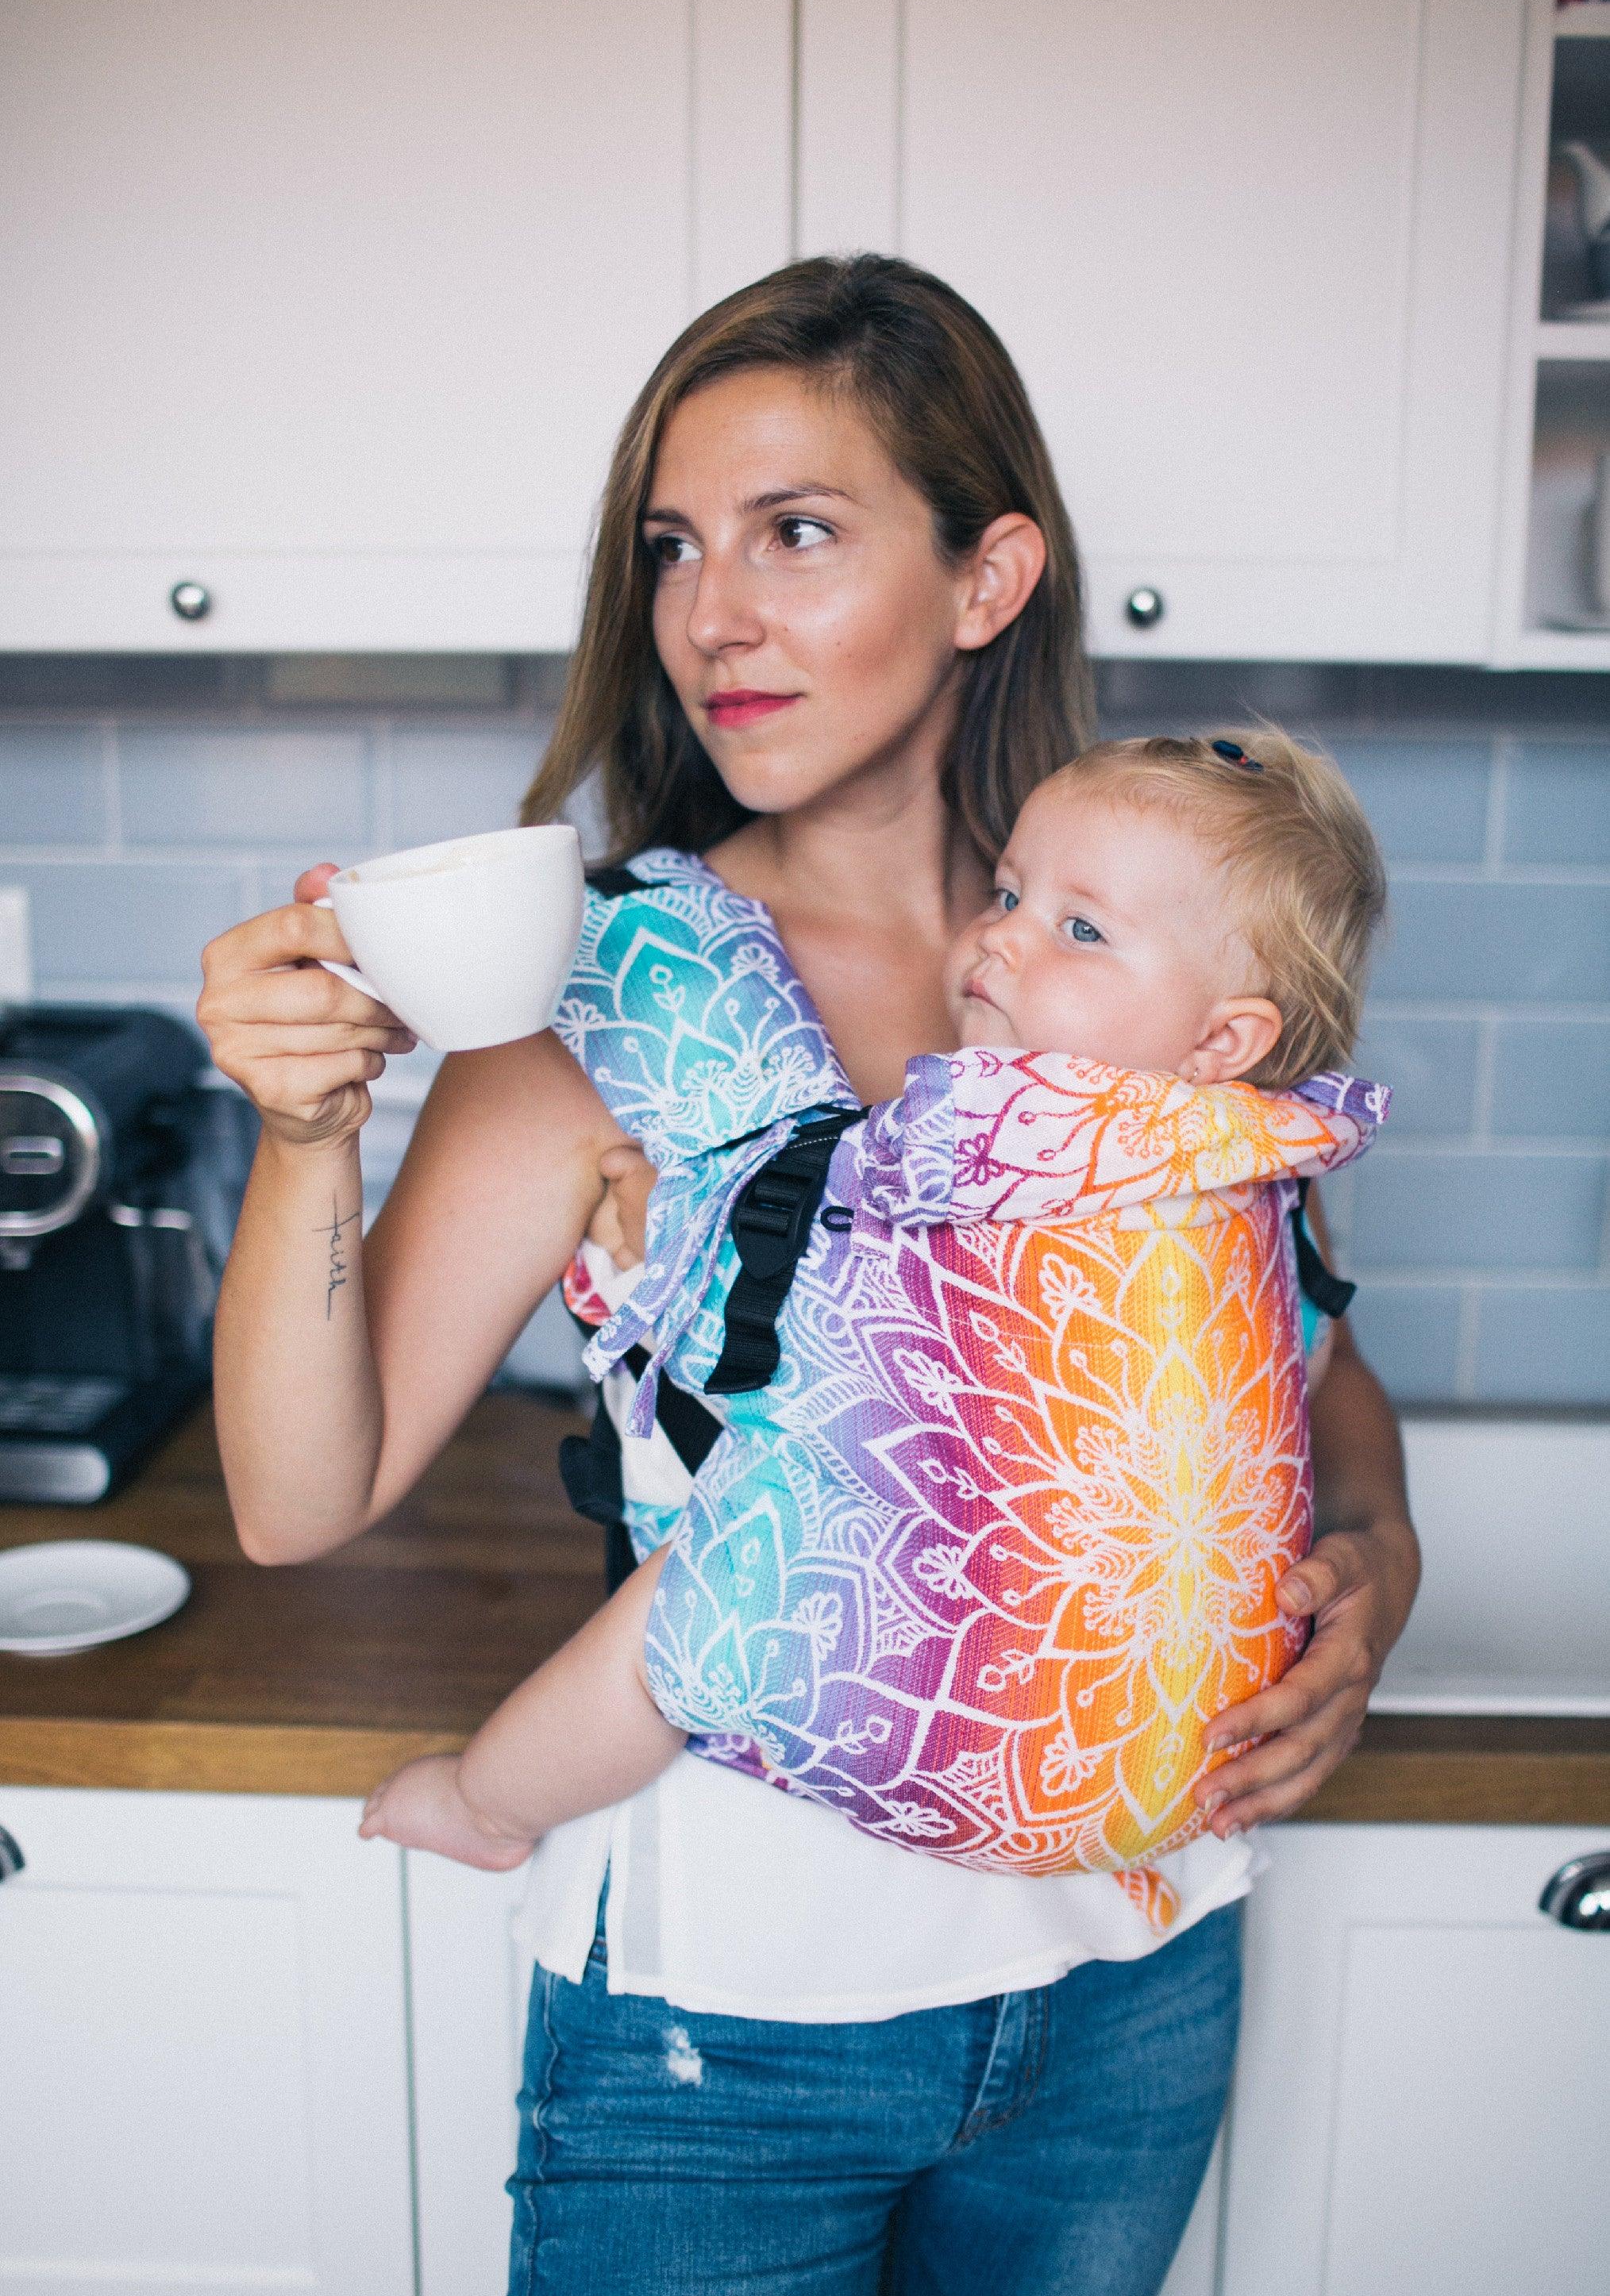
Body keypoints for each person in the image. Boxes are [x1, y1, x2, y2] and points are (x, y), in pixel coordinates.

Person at [198, 256, 1420, 2296]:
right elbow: (300, 1501)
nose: (710, 617)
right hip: (727, 2031)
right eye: (675, 547)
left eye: (797, 532)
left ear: (986, 573)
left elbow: (1308, 1357)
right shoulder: (592, 998)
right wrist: (304, 1128)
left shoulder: (1152, 954)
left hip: (1132, 1989)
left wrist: (1370, 1575)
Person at [356, 727, 1390, 1893]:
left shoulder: (983, 1124)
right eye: (1010, 893)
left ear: (1221, 1040)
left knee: (684, 1617)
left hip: (990, 1776)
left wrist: (675, 1210)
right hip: (1164, 1793)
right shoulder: (1272, 1154)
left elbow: (821, 1257)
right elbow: (1306, 1356)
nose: (1002, 934)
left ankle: (484, 1801)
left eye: (1080, 929)